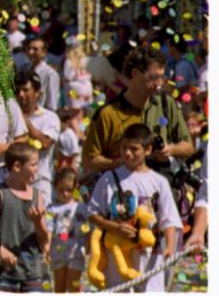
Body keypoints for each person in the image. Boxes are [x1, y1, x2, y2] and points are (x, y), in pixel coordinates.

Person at [85, 124, 181, 292]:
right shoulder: (109, 178)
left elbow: (169, 219)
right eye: (124, 147)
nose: (127, 153)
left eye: (134, 149)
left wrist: (170, 247)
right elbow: (93, 213)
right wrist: (115, 227)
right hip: (117, 259)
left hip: (150, 257)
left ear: (148, 149)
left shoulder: (159, 182)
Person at [81, 46, 193, 178]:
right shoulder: (108, 114)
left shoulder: (166, 104)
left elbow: (188, 147)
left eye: (161, 77)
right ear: (135, 73)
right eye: (153, 77)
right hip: (123, 192)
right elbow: (88, 160)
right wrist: (118, 163)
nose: (159, 84)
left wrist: (170, 150)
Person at [0, 142, 50, 293]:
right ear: (17, 166)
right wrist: (0, 250)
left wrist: (38, 223)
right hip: (4, 273)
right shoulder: (0, 194)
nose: (37, 169)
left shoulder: (37, 195)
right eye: (33, 165)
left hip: (32, 271)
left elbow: (44, 240)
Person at [14, 68, 59, 204]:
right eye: (17, 91)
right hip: (13, 186)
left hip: (39, 185)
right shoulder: (9, 118)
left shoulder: (49, 118)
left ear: (38, 93)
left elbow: (45, 143)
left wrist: (22, 118)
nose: (21, 95)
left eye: (25, 90)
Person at [46, 168, 87, 293]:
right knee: (59, 287)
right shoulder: (52, 209)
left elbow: (88, 228)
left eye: (69, 190)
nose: (65, 194)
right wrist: (46, 248)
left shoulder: (81, 207)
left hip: (76, 252)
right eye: (61, 190)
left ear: (76, 188)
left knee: (74, 285)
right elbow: (49, 229)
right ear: (55, 188)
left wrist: (89, 245)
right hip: (58, 252)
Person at [21, 35, 61, 112]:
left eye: (35, 49)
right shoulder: (24, 69)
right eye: (29, 49)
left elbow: (52, 104)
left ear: (44, 53)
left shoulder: (50, 73)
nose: (31, 52)